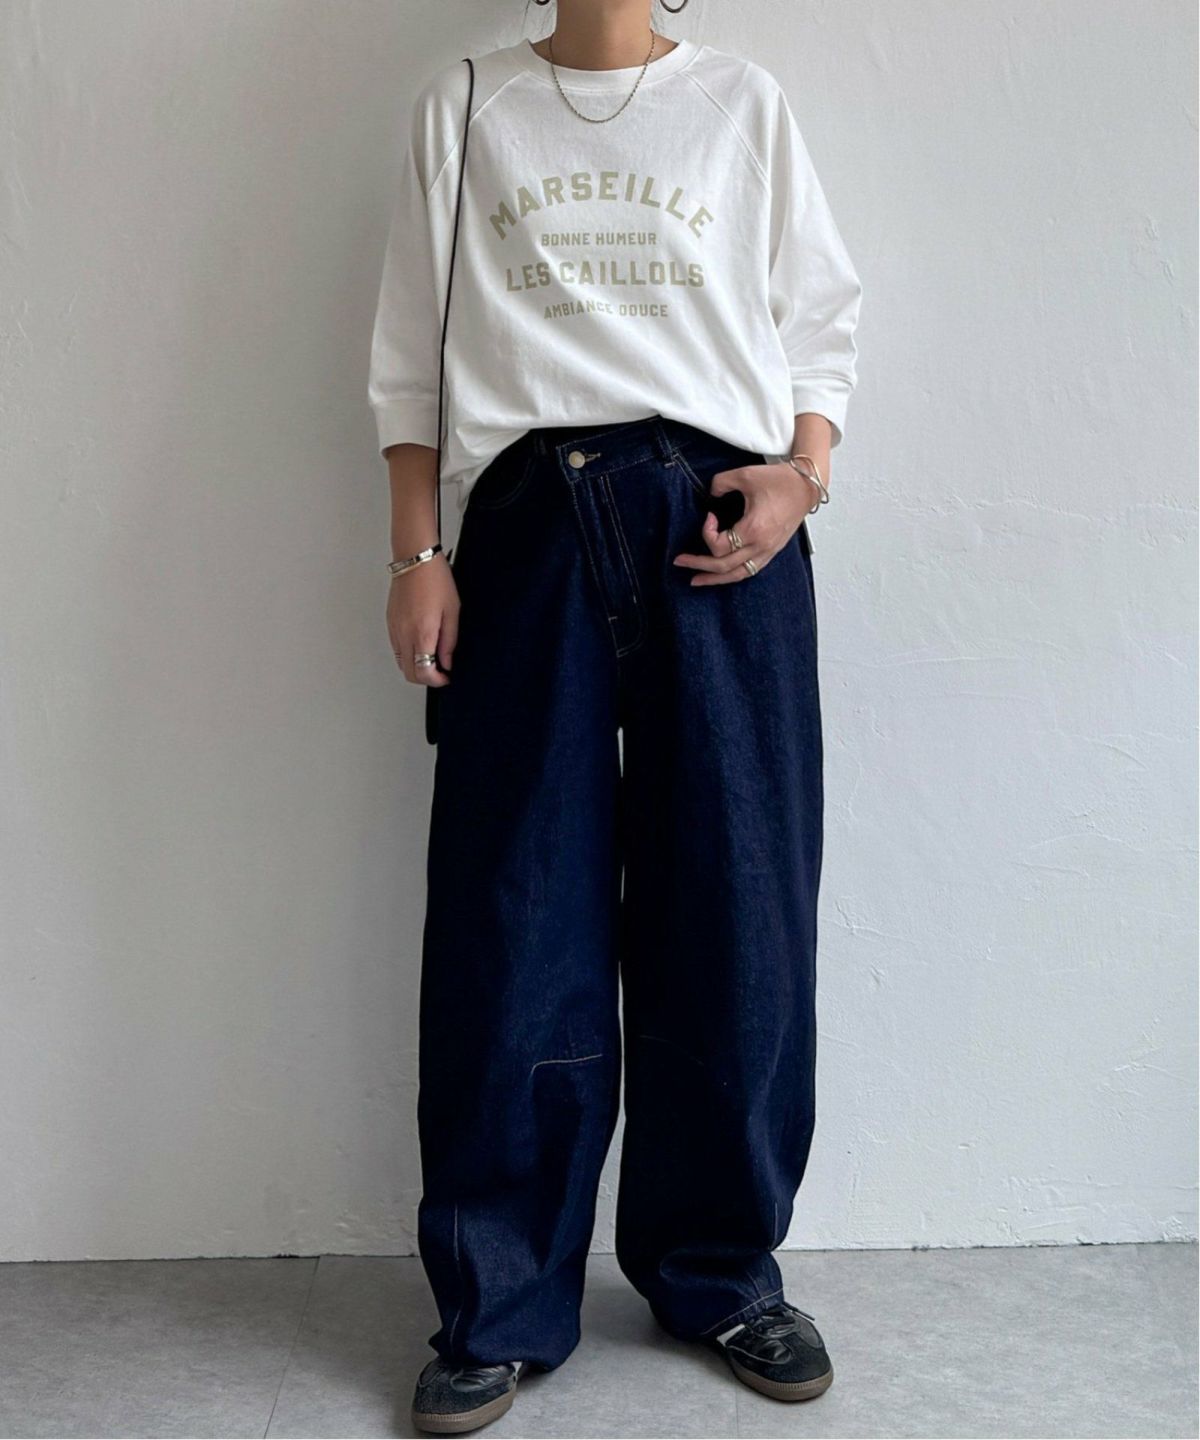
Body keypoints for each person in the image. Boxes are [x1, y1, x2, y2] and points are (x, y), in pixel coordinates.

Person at [367, 0, 862, 1431]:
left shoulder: (742, 104)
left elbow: (819, 319)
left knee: (740, 910)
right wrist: (416, 553)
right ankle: (500, 1296)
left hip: (723, 525)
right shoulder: (465, 105)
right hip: (529, 527)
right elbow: (410, 357)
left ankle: (723, 1269)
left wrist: (803, 476)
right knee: (516, 917)